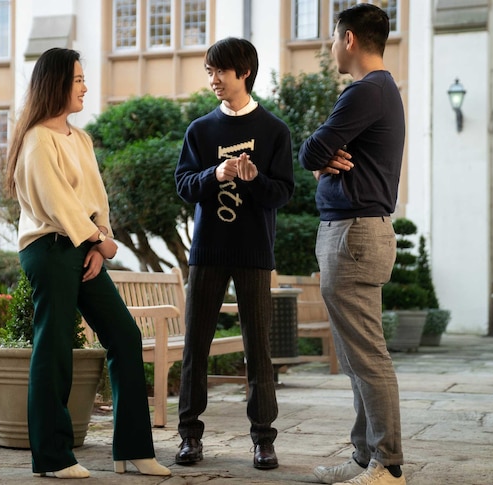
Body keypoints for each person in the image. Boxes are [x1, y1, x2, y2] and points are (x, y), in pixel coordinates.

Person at [4, 47, 170, 480]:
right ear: (56, 83)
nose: (85, 87)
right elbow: (56, 203)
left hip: (82, 247)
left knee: (124, 336)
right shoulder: (37, 139)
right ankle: (53, 457)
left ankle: (133, 449)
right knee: (55, 346)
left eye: (83, 79)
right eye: (77, 79)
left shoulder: (81, 139)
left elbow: (96, 201)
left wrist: (100, 243)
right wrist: (98, 240)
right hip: (49, 249)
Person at [174, 37, 295, 471]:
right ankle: (189, 436)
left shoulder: (274, 131)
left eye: (219, 71)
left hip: (253, 251)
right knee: (196, 346)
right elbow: (185, 185)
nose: (213, 80)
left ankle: (264, 440)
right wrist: (215, 173)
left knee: (258, 348)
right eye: (208, 72)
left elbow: (282, 194)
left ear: (244, 71)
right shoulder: (200, 131)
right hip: (207, 251)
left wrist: (253, 178)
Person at [298, 4, 406, 485]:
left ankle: (388, 463)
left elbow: (311, 151)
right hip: (355, 231)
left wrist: (321, 160)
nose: (331, 46)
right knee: (356, 355)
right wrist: (325, 158)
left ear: (349, 40)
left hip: (355, 233)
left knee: (367, 356)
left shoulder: (365, 92)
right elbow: (321, 153)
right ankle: (365, 457)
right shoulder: (381, 91)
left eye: (333, 37)